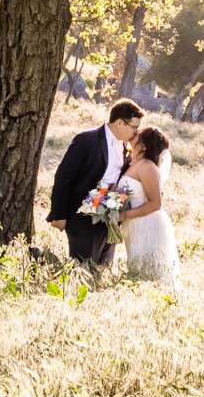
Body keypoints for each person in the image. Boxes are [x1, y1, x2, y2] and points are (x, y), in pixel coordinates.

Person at [47, 98, 140, 270]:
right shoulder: (86, 140)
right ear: (120, 122)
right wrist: (58, 214)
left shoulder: (126, 148)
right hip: (82, 216)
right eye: (134, 127)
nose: (136, 132)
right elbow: (63, 177)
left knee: (102, 269)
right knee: (82, 269)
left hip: (110, 217)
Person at [116, 126, 179, 290]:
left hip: (148, 223)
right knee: (137, 268)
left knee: (151, 271)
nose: (134, 135)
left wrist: (125, 215)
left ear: (144, 145)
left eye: (139, 135)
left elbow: (155, 203)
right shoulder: (134, 163)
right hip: (135, 224)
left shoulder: (147, 167)